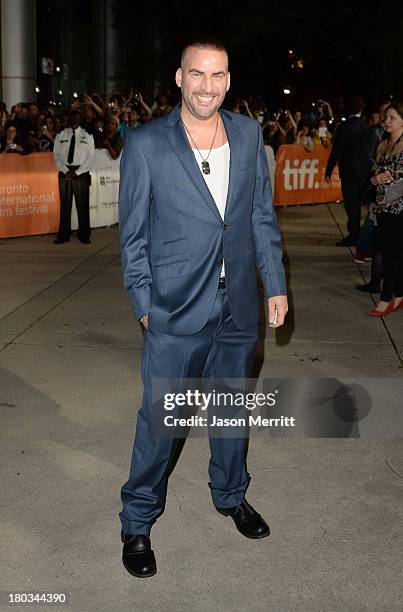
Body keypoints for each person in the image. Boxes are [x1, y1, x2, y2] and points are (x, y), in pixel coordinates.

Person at [118, 38, 287, 578]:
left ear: (229, 81)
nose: (207, 86)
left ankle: (230, 494)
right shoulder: (146, 144)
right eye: (197, 75)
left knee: (231, 410)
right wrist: (146, 307)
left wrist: (275, 284)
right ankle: (138, 520)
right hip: (174, 309)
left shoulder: (248, 132)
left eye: (217, 76)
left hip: (237, 304)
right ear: (179, 77)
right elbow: (133, 238)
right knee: (161, 422)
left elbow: (260, 216)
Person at [367, 102, 403, 316]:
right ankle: (398, 293)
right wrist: (375, 179)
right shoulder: (383, 144)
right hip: (382, 207)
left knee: (391, 254)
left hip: (399, 208)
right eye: (386, 117)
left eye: (392, 117)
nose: (387, 121)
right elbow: (371, 177)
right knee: (388, 251)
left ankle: (386, 297)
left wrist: (389, 180)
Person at [325, 97, 371, 246]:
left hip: (349, 173)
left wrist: (329, 169)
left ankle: (354, 236)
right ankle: (360, 235)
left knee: (352, 205)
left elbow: (336, 150)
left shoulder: (344, 127)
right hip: (364, 173)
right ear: (361, 110)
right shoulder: (366, 127)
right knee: (360, 205)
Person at [53, 109, 95, 244]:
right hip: (64, 172)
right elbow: (56, 155)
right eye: (72, 118)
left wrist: (76, 172)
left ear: (80, 119)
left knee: (82, 205)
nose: (74, 120)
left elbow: (90, 158)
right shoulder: (61, 135)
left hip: (80, 173)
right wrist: (65, 171)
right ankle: (64, 235)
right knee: (65, 206)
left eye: (76, 118)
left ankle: (84, 234)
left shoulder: (87, 135)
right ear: (69, 119)